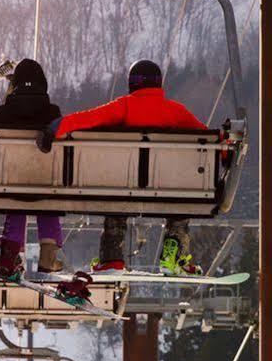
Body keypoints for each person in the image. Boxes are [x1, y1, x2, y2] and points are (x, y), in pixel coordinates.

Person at [38, 59, 205, 275]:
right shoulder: (175, 111)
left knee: (115, 198)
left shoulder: (124, 106)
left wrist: (56, 126)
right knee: (181, 202)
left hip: (124, 188)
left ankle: (112, 259)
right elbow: (206, 136)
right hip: (167, 188)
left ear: (133, 83)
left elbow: (90, 118)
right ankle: (174, 257)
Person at [0, 58, 64, 278]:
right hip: (46, 177)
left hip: (11, 177)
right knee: (47, 200)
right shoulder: (53, 111)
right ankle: (48, 258)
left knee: (17, 197)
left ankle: (9, 255)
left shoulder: (2, 112)